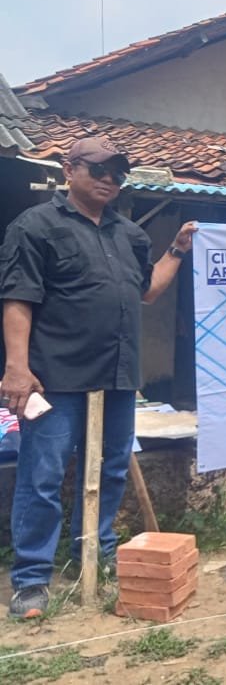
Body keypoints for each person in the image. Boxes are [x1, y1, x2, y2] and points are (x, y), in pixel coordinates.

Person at [1, 135, 196, 619]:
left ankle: (95, 551)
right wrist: (17, 368)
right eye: (99, 169)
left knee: (109, 469)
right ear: (70, 169)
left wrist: (176, 248)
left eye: (119, 171)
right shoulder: (36, 226)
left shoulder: (128, 234)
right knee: (42, 475)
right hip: (55, 378)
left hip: (118, 377)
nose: (110, 178)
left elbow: (147, 291)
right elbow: (18, 298)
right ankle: (31, 579)